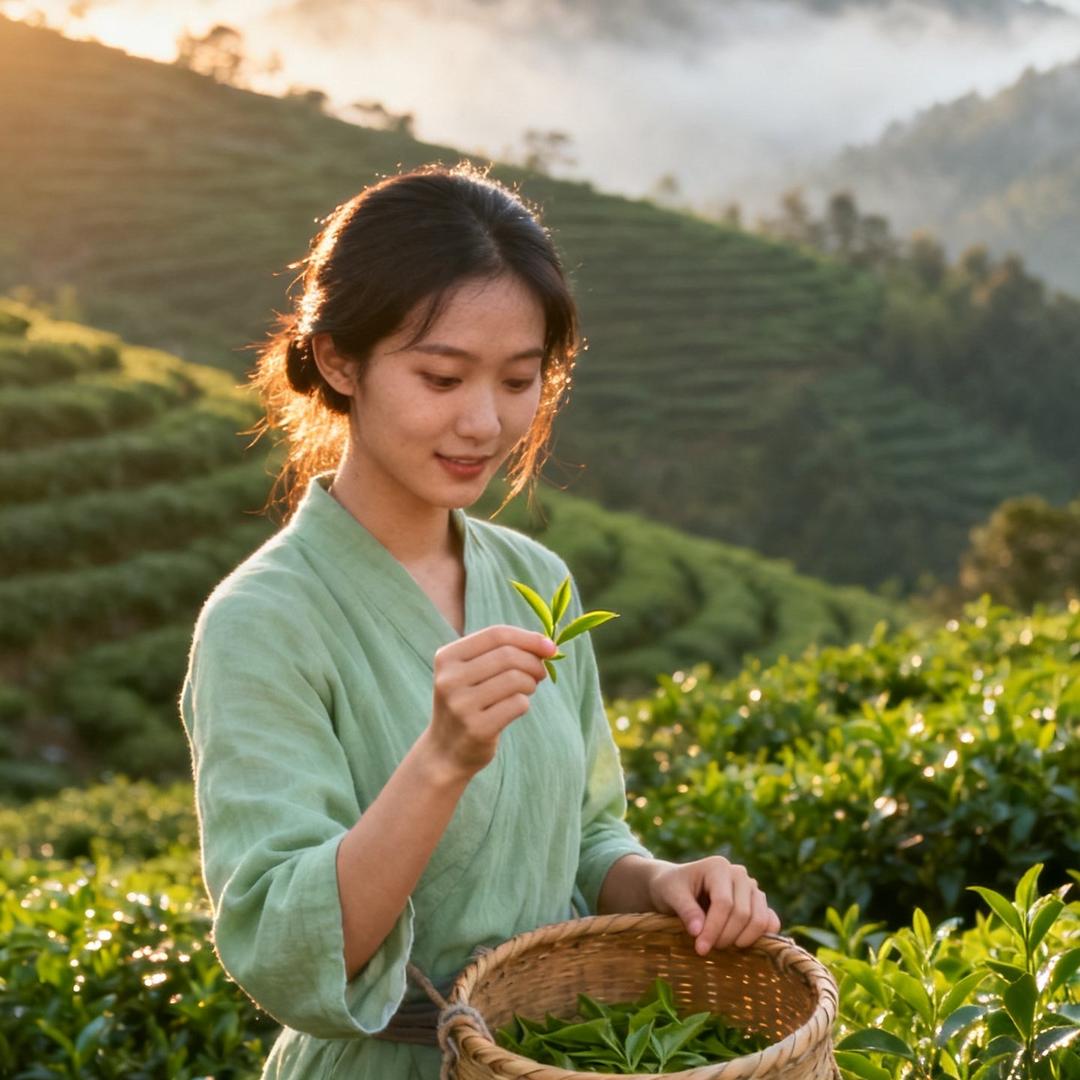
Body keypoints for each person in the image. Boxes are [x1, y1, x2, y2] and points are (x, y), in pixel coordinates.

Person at [179, 163, 781, 1080]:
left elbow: (584, 839)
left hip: (541, 1058)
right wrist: (442, 759)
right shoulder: (263, 622)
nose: (484, 422)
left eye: (517, 379)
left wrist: (664, 884)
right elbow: (285, 943)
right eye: (442, 376)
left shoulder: (536, 580)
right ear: (340, 359)